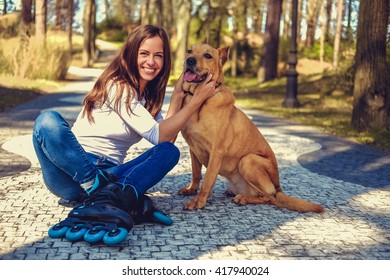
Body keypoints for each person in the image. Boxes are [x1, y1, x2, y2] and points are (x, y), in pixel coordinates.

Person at [32, 25, 218, 244]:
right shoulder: (117, 86)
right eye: (144, 54)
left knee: (169, 152)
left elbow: (166, 138)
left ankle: (104, 192)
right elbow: (158, 134)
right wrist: (196, 101)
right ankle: (104, 189)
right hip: (71, 171)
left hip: (111, 172)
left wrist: (178, 94)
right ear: (131, 53)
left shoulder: (148, 98)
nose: (151, 61)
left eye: (158, 55)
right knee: (46, 121)